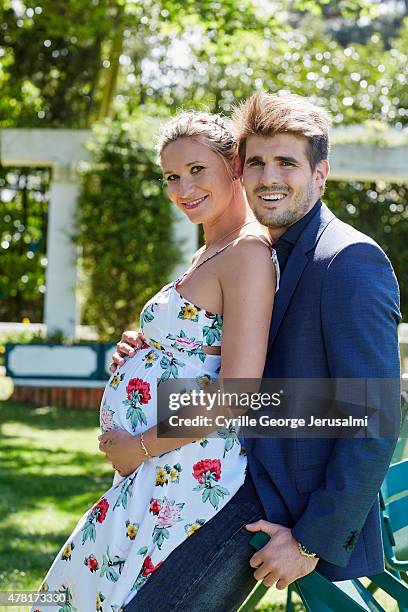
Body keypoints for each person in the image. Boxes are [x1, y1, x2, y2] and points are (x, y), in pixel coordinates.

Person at [110, 92, 401, 611]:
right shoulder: (261, 252)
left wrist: (311, 540)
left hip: (262, 504)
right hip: (206, 478)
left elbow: (372, 414)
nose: (269, 177)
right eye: (258, 163)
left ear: (320, 173)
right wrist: (154, 358)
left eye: (287, 162)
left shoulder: (349, 260)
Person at [32, 111, 279, 612]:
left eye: (195, 170)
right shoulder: (211, 250)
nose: (182, 188)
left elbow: (237, 393)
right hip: (159, 469)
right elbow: (198, 342)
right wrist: (145, 349)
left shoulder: (248, 254)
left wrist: (139, 446)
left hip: (185, 473)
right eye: (171, 176)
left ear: (234, 165)